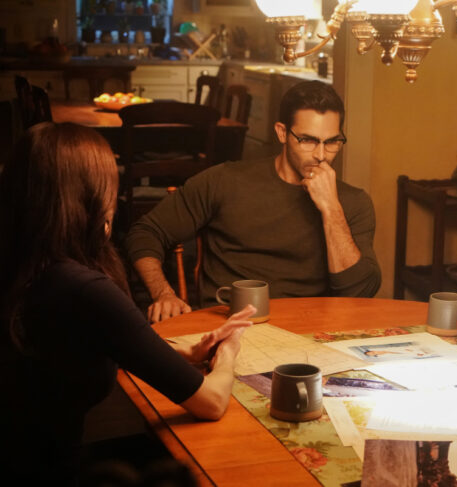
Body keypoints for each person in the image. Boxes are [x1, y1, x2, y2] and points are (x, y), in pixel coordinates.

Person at [0, 122, 254, 484]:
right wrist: (228, 352)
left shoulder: (26, 266)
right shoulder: (85, 289)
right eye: (109, 187)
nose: (114, 202)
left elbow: (84, 346)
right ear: (86, 198)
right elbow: (211, 402)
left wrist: (185, 353)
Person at [126, 80, 381, 323]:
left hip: (310, 332)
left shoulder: (353, 202)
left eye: (332, 142)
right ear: (282, 133)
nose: (321, 155)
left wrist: (330, 208)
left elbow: (358, 292)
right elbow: (145, 233)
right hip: (230, 327)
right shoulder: (225, 180)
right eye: (308, 140)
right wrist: (164, 294)